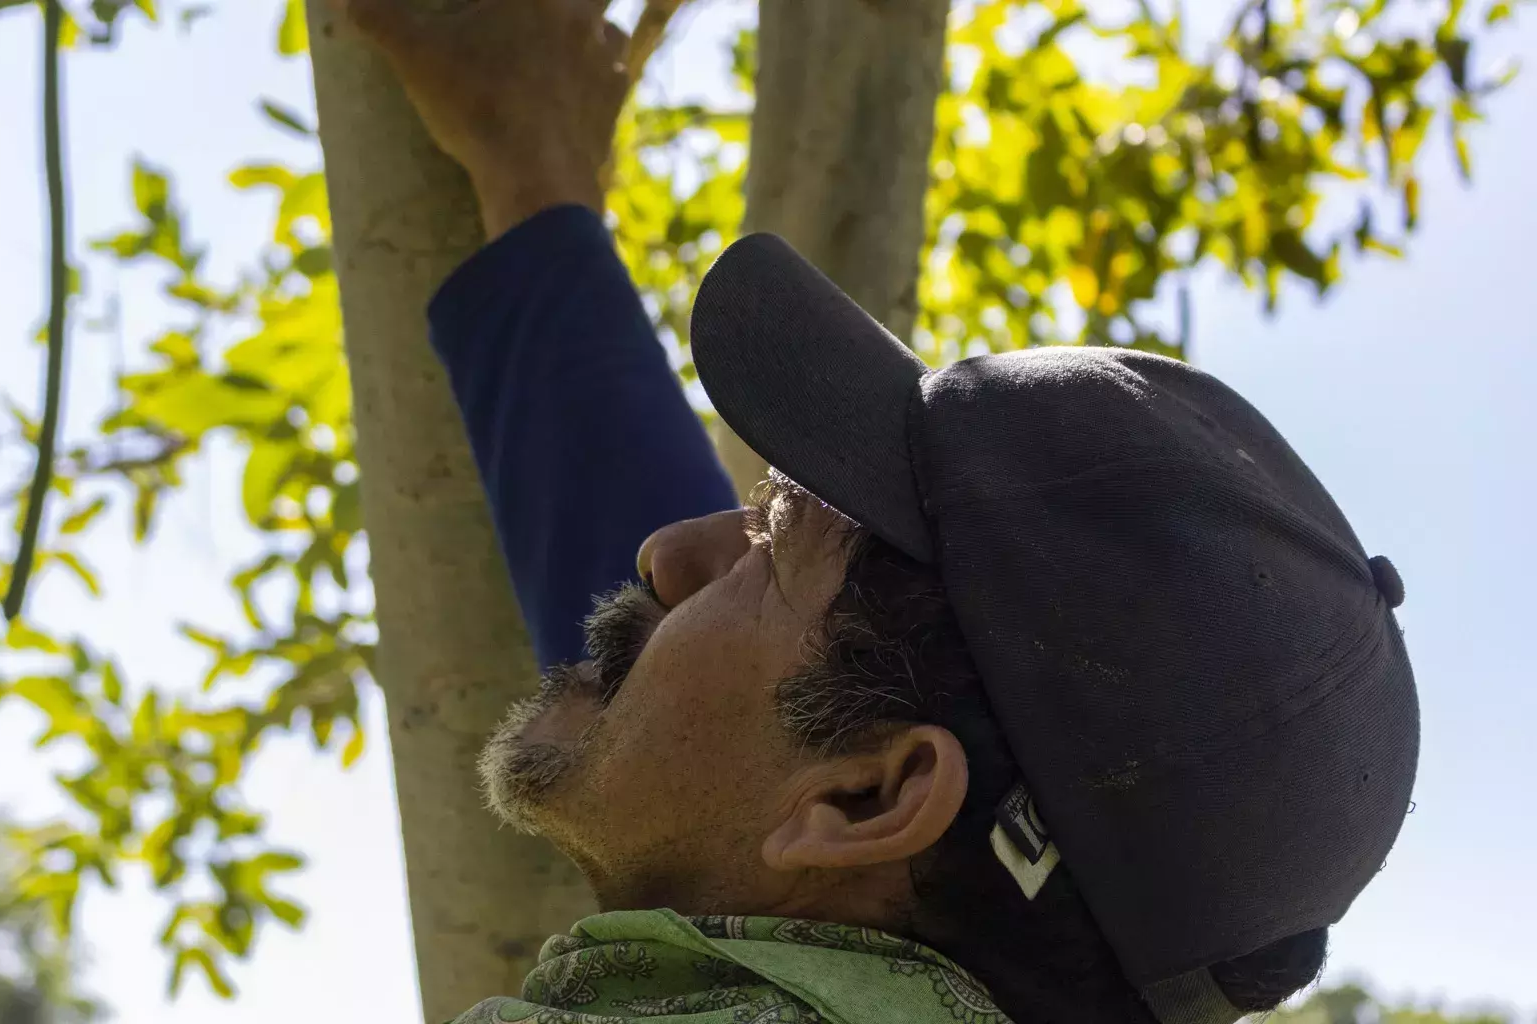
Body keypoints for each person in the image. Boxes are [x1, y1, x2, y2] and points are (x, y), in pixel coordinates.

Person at [336, 2, 1421, 1023]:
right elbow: (731, 709)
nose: (664, 557)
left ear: (870, 798)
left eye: (765, 548)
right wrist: (534, 181)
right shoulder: (800, 845)